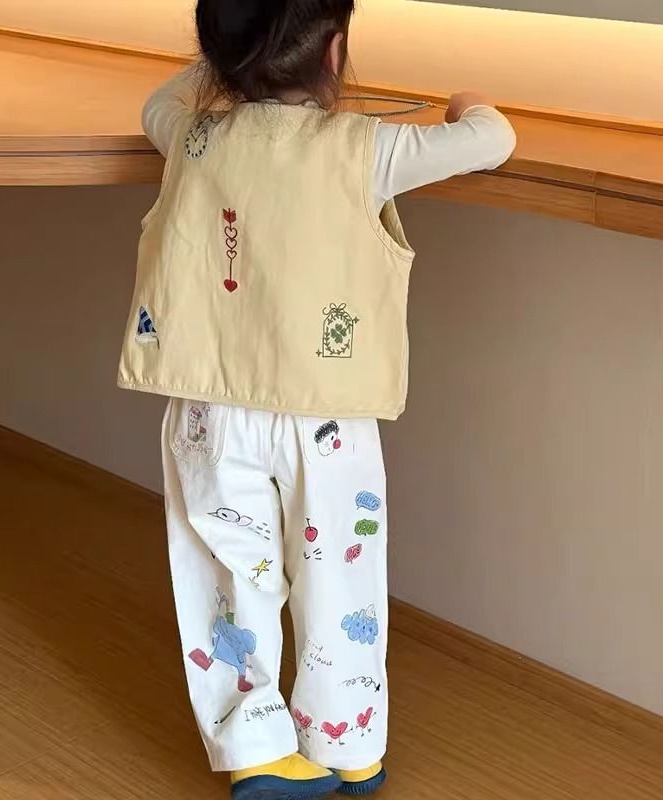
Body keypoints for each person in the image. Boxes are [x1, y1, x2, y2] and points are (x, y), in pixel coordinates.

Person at [118, 2, 516, 798]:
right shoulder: (368, 146)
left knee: (229, 576)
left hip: (209, 406)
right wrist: (465, 101)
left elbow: (157, 102)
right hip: (326, 414)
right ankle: (347, 742)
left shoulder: (191, 135)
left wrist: (220, 63)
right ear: (334, 52)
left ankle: (259, 749)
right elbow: (491, 139)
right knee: (340, 573)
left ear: (217, 53)